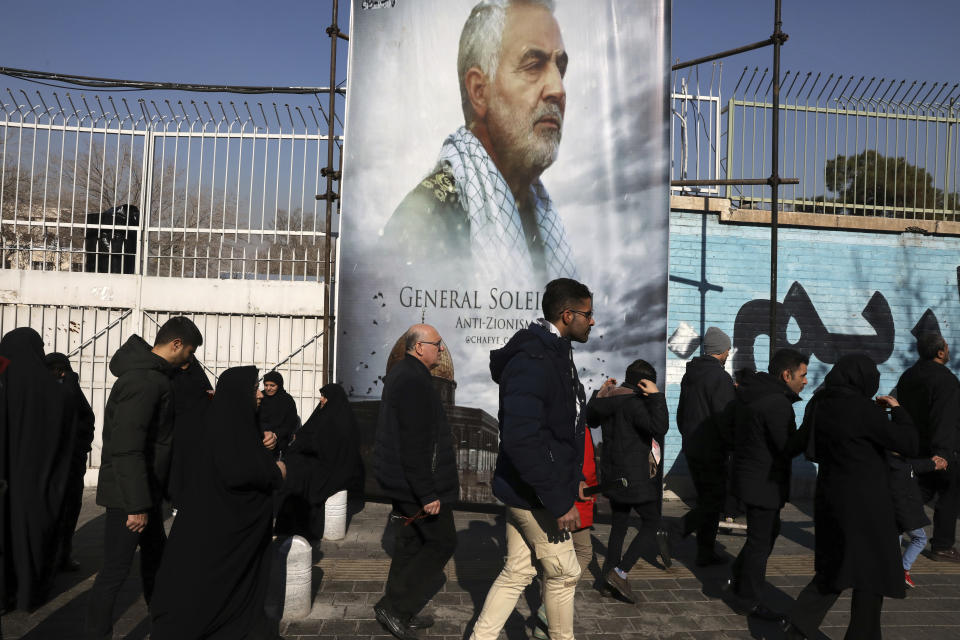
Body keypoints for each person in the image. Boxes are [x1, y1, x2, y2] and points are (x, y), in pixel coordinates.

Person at [382, 0, 577, 287]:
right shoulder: (427, 221)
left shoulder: (537, 211)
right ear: (479, 90)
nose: (558, 89)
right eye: (534, 65)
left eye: (560, 68)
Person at [469, 278, 593, 640]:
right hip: (535, 493)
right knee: (565, 573)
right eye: (588, 314)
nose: (593, 321)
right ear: (567, 315)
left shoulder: (554, 352)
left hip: (533, 487)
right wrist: (558, 500)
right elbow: (523, 440)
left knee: (518, 572)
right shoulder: (533, 360)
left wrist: (574, 481)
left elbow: (557, 431)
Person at [784, 354, 918, 640]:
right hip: (868, 505)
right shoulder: (863, 410)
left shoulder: (820, 404)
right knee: (871, 575)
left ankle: (798, 625)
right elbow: (908, 443)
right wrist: (898, 410)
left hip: (831, 499)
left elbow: (795, 444)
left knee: (834, 568)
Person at [85, 316, 202, 639]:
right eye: (189, 352)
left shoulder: (153, 378)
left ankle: (165, 625)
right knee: (115, 572)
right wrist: (136, 505)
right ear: (176, 344)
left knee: (156, 563)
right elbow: (127, 448)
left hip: (144, 493)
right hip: (130, 496)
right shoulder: (144, 382)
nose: (188, 360)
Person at [149, 366, 286, 639]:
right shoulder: (222, 428)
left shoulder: (230, 423)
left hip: (227, 537)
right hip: (220, 538)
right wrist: (276, 471)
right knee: (213, 596)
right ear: (238, 395)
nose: (259, 394)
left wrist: (264, 445)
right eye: (254, 389)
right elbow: (238, 471)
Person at [373, 324, 459, 640]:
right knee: (443, 541)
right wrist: (427, 492)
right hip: (415, 485)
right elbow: (415, 443)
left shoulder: (406, 374)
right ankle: (394, 607)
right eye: (437, 344)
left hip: (402, 481)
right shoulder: (412, 380)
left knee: (410, 544)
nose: (441, 349)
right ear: (420, 347)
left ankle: (399, 610)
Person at [727, 348, 808, 621]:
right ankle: (747, 599)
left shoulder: (756, 394)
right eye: (803, 375)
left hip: (753, 479)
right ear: (787, 374)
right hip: (763, 483)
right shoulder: (776, 403)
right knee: (761, 542)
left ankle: (738, 578)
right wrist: (809, 431)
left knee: (766, 535)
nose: (805, 381)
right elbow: (786, 446)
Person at [585, 359, 669, 604]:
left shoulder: (610, 400)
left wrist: (599, 393)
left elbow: (591, 419)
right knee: (652, 521)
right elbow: (660, 427)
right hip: (635, 479)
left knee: (619, 526)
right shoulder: (635, 404)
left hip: (614, 477)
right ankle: (620, 572)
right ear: (644, 383)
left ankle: (606, 582)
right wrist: (656, 397)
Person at [0, 328, 71, 612]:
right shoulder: (52, 387)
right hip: (36, 481)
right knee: (30, 534)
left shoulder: (3, 376)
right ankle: (28, 591)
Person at [894, 331, 960, 562]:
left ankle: (890, 527)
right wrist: (943, 455)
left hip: (912, 447)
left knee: (921, 490)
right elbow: (944, 418)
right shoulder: (946, 379)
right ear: (940, 352)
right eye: (946, 347)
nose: (949, 350)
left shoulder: (908, 376)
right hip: (939, 450)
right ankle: (942, 545)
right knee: (949, 493)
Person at [676, 327, 736, 566]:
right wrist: (731, 443)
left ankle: (705, 551)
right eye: (728, 348)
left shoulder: (689, 375)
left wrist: (688, 435)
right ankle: (676, 531)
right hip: (713, 448)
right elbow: (725, 416)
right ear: (721, 350)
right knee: (714, 500)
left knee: (706, 499)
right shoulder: (720, 378)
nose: (729, 352)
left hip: (692, 445)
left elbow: (681, 413)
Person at [277, 383, 362, 542]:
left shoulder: (341, 419)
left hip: (334, 467)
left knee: (300, 476)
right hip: (317, 458)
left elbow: (329, 447)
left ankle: (300, 526)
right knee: (291, 466)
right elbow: (308, 433)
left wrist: (303, 444)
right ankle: (286, 523)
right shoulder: (325, 413)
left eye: (324, 396)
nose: (321, 399)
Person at [45, 352, 96, 572]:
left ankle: (61, 555)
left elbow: (86, 422)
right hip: (62, 465)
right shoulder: (61, 388)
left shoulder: (69, 389)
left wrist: (78, 449)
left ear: (60, 371)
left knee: (67, 510)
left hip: (69, 465)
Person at [167, 354, 213, 512]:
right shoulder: (172, 375)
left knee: (194, 466)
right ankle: (176, 501)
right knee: (177, 466)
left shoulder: (197, 374)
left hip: (197, 430)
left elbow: (206, 395)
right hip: (177, 429)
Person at [259, 371, 300, 461]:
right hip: (260, 438)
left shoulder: (287, 400)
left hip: (280, 441)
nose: (268, 388)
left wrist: (275, 435)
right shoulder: (260, 397)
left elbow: (290, 423)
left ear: (279, 385)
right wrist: (264, 433)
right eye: (266, 385)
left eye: (272, 385)